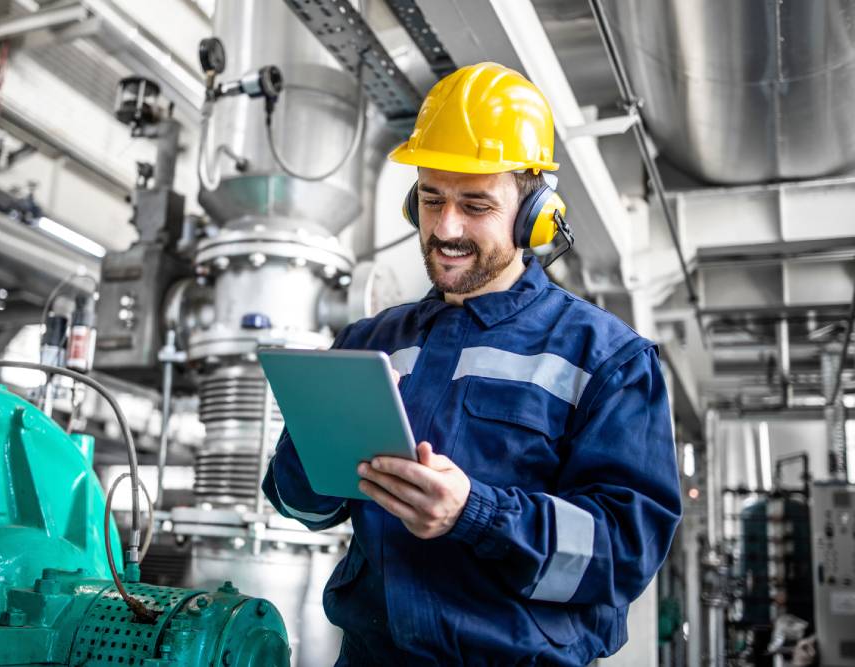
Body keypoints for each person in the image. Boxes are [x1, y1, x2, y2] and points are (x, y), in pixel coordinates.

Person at [262, 62, 682, 666]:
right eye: (431, 199)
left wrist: (476, 515)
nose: (446, 227)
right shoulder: (368, 339)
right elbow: (302, 506)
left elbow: (622, 554)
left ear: (533, 212)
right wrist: (316, 441)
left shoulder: (608, 359)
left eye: (475, 204)